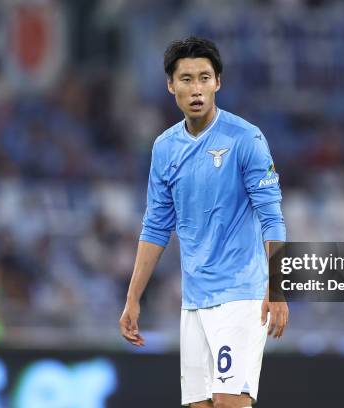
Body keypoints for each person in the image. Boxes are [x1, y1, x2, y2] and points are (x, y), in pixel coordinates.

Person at [119, 36, 288, 408]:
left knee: (229, 403)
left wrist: (276, 287)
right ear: (170, 85)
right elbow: (155, 227)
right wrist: (133, 298)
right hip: (194, 301)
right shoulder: (165, 148)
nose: (196, 88)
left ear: (218, 82)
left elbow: (272, 216)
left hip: (242, 296)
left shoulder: (246, 139)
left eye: (204, 78)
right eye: (186, 79)